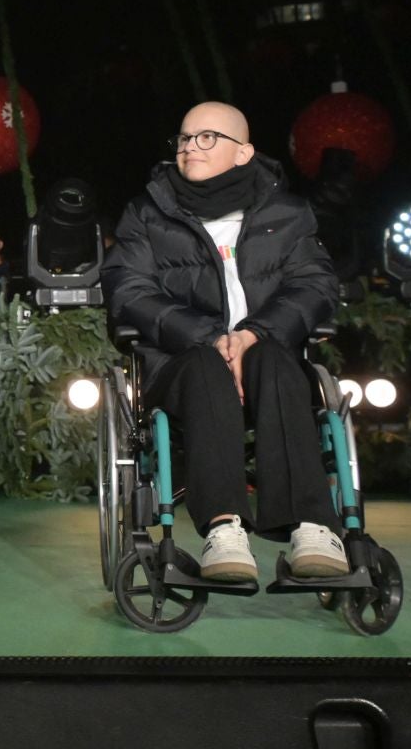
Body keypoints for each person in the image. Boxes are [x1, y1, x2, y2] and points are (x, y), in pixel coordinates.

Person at [101, 101, 349, 583]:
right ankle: (224, 528)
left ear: (244, 152)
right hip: (180, 366)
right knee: (204, 366)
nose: (191, 147)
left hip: (265, 356)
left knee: (277, 360)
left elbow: (316, 284)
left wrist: (254, 333)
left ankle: (312, 527)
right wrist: (211, 338)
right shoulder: (147, 213)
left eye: (207, 137)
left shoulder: (289, 213)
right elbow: (127, 290)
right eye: (185, 138)